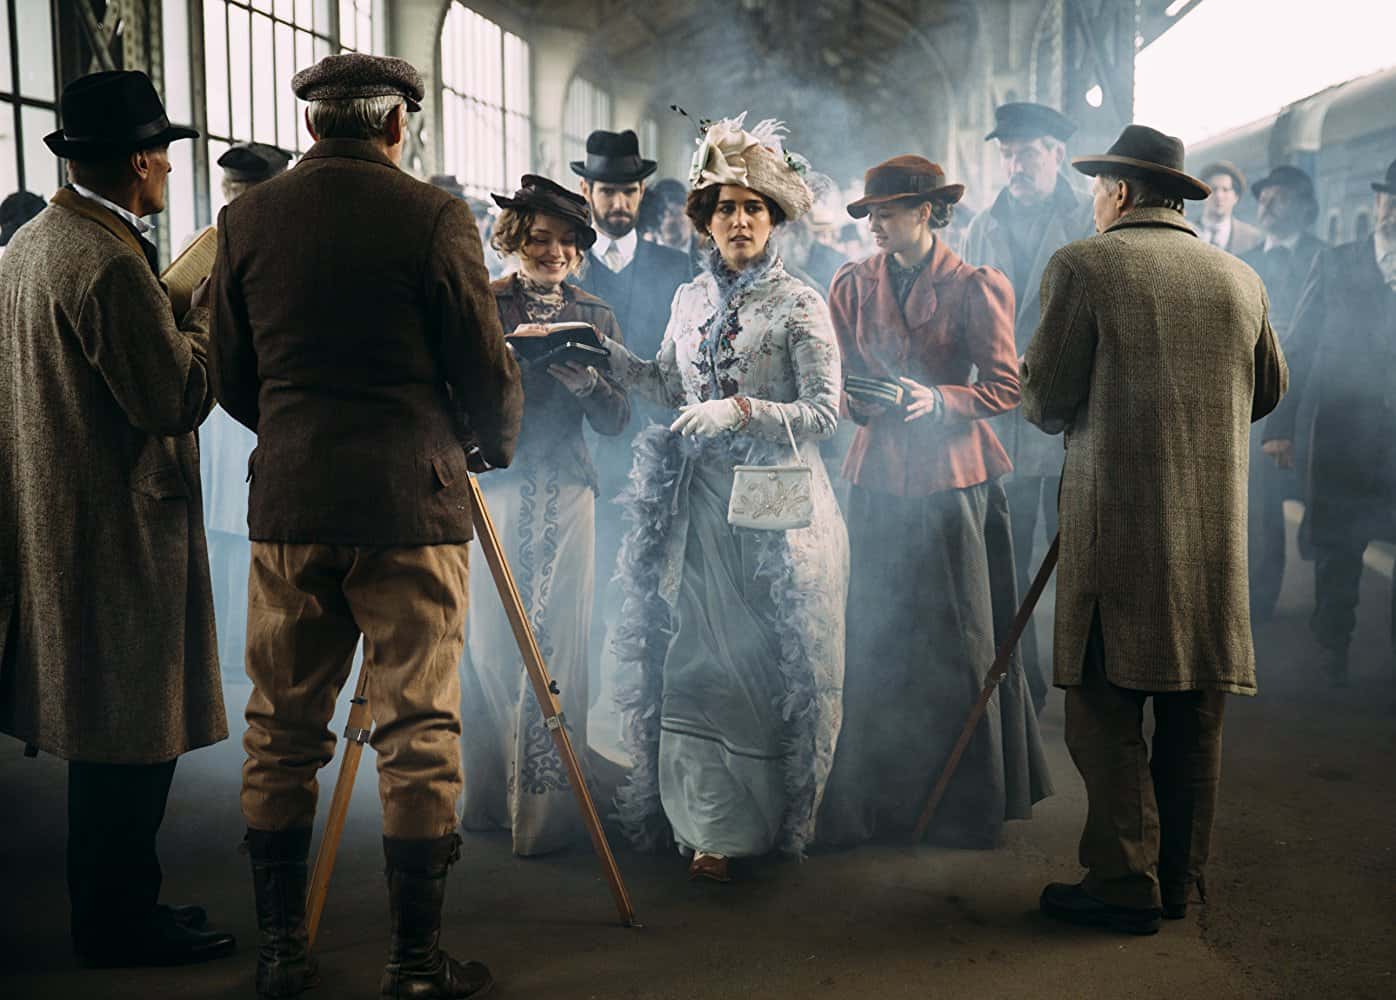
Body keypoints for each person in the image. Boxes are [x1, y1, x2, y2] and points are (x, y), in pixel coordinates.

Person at [210, 53, 522, 999]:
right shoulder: (433, 216)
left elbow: (231, 373)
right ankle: (415, 966)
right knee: (418, 729)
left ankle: (279, 956)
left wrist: (295, 438)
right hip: (409, 509)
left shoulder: (247, 218)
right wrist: (489, 443)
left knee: (278, 730)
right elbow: (482, 360)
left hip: (292, 506)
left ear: (311, 126)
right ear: (396, 125)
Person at [1023, 125, 1286, 935]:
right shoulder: (1241, 279)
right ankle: (1179, 882)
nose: (1093, 202)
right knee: (1193, 716)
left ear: (1121, 192)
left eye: (1097, 189)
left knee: (1104, 712)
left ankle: (1121, 881)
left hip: (1115, 533)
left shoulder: (1085, 266)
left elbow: (1045, 401)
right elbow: (1267, 390)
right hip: (1212, 541)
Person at [0, 70, 235, 967]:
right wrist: (204, 315)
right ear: (139, 162)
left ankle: (115, 909)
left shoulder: (34, 241)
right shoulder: (108, 262)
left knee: (102, 735)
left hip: (58, 514)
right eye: (164, 154)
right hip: (120, 526)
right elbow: (173, 397)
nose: (169, 168)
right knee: (132, 738)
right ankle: (118, 925)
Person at [600, 115, 848, 883]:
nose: (739, 221)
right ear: (705, 221)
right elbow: (665, 384)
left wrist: (740, 411)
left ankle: (758, 823)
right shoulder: (688, 299)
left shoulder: (799, 303)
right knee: (696, 655)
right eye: (725, 209)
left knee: (760, 660)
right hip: (699, 500)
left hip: (776, 505)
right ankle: (705, 823)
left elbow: (824, 413)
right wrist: (604, 361)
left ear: (773, 220)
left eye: (753, 209)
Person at [818, 155, 1051, 848]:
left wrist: (940, 401)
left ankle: (963, 804)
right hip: (876, 479)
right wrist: (861, 403)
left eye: (887, 213)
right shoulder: (851, 284)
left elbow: (1006, 387)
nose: (875, 226)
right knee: (874, 634)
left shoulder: (976, 286)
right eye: (870, 215)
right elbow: (839, 380)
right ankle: (876, 803)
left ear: (926, 212)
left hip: (954, 483)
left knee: (961, 639)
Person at [459, 175, 629, 855]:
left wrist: (587, 383)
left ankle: (550, 808)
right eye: (539, 238)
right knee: (491, 641)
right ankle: (491, 796)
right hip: (496, 485)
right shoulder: (486, 301)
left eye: (566, 241)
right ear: (513, 239)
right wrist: (501, 368)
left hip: (569, 487)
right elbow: (454, 394)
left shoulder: (596, 313)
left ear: (581, 248)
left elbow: (618, 419)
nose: (554, 251)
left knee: (560, 639)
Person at [961, 101, 1095, 708]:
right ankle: (1023, 680)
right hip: (1005, 423)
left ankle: (1084, 677)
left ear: (1057, 154)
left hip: (1072, 420)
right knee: (1009, 556)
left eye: (1028, 153)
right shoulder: (981, 226)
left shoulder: (1089, 219)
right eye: (1008, 154)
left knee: (1081, 556)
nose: (1015, 165)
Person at [571, 130, 694, 754]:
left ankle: (654, 737)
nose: (618, 202)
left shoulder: (677, 269)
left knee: (656, 592)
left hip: (658, 451)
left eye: (628, 191)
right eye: (606, 191)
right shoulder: (568, 267)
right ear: (586, 191)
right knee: (588, 592)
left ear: (642, 193)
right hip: (585, 457)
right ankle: (580, 736)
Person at [1262, 158, 1396, 687]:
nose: (1394, 210)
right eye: (1389, 198)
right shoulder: (1337, 263)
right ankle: (1331, 648)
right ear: (1377, 203)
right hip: (1342, 436)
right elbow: (1298, 345)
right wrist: (1280, 427)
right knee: (1338, 550)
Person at [201, 142, 292, 684]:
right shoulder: (274, 242)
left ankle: (236, 648)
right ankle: (248, 648)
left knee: (234, 531)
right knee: (243, 532)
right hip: (248, 404)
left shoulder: (207, 241)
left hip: (231, 404)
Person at [1240, 165, 1326, 624]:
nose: (1267, 205)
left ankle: (1331, 607)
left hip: (1315, 404)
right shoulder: (1242, 262)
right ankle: (1259, 603)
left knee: (1324, 504)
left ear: (1305, 207)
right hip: (1261, 402)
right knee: (1261, 508)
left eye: (1280, 197)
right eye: (1263, 197)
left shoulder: (1325, 258)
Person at [1195, 161, 1262, 255]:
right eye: (1213, 189)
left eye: (1225, 190)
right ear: (1203, 195)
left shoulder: (1252, 239)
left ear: (1236, 197)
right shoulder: (1188, 231)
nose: (1219, 196)